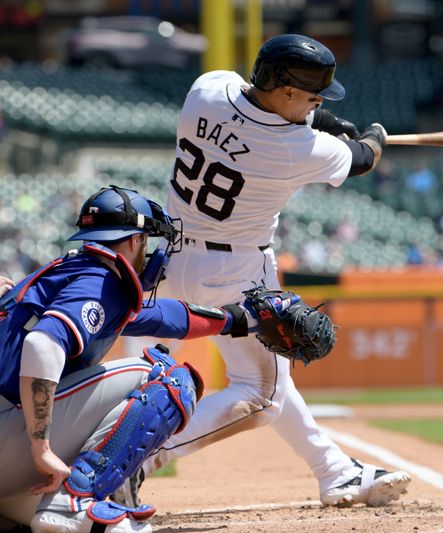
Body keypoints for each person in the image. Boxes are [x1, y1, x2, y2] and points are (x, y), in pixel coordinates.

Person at [122, 34, 411, 508]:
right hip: (234, 272)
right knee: (259, 392)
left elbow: (264, 110)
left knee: (272, 380)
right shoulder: (295, 148)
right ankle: (132, 460)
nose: (317, 102)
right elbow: (361, 160)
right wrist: (372, 137)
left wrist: (323, 118)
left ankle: (335, 472)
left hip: (171, 257)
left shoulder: (207, 89)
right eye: (312, 94)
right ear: (286, 91)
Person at [0, 186, 272, 532]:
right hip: (9, 441)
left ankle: (82, 507)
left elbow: (163, 315)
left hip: (5, 462)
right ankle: (73, 500)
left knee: (114, 529)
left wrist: (241, 318)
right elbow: (42, 344)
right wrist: (41, 449)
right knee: (169, 378)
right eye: (147, 240)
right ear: (133, 240)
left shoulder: (70, 274)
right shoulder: (100, 282)